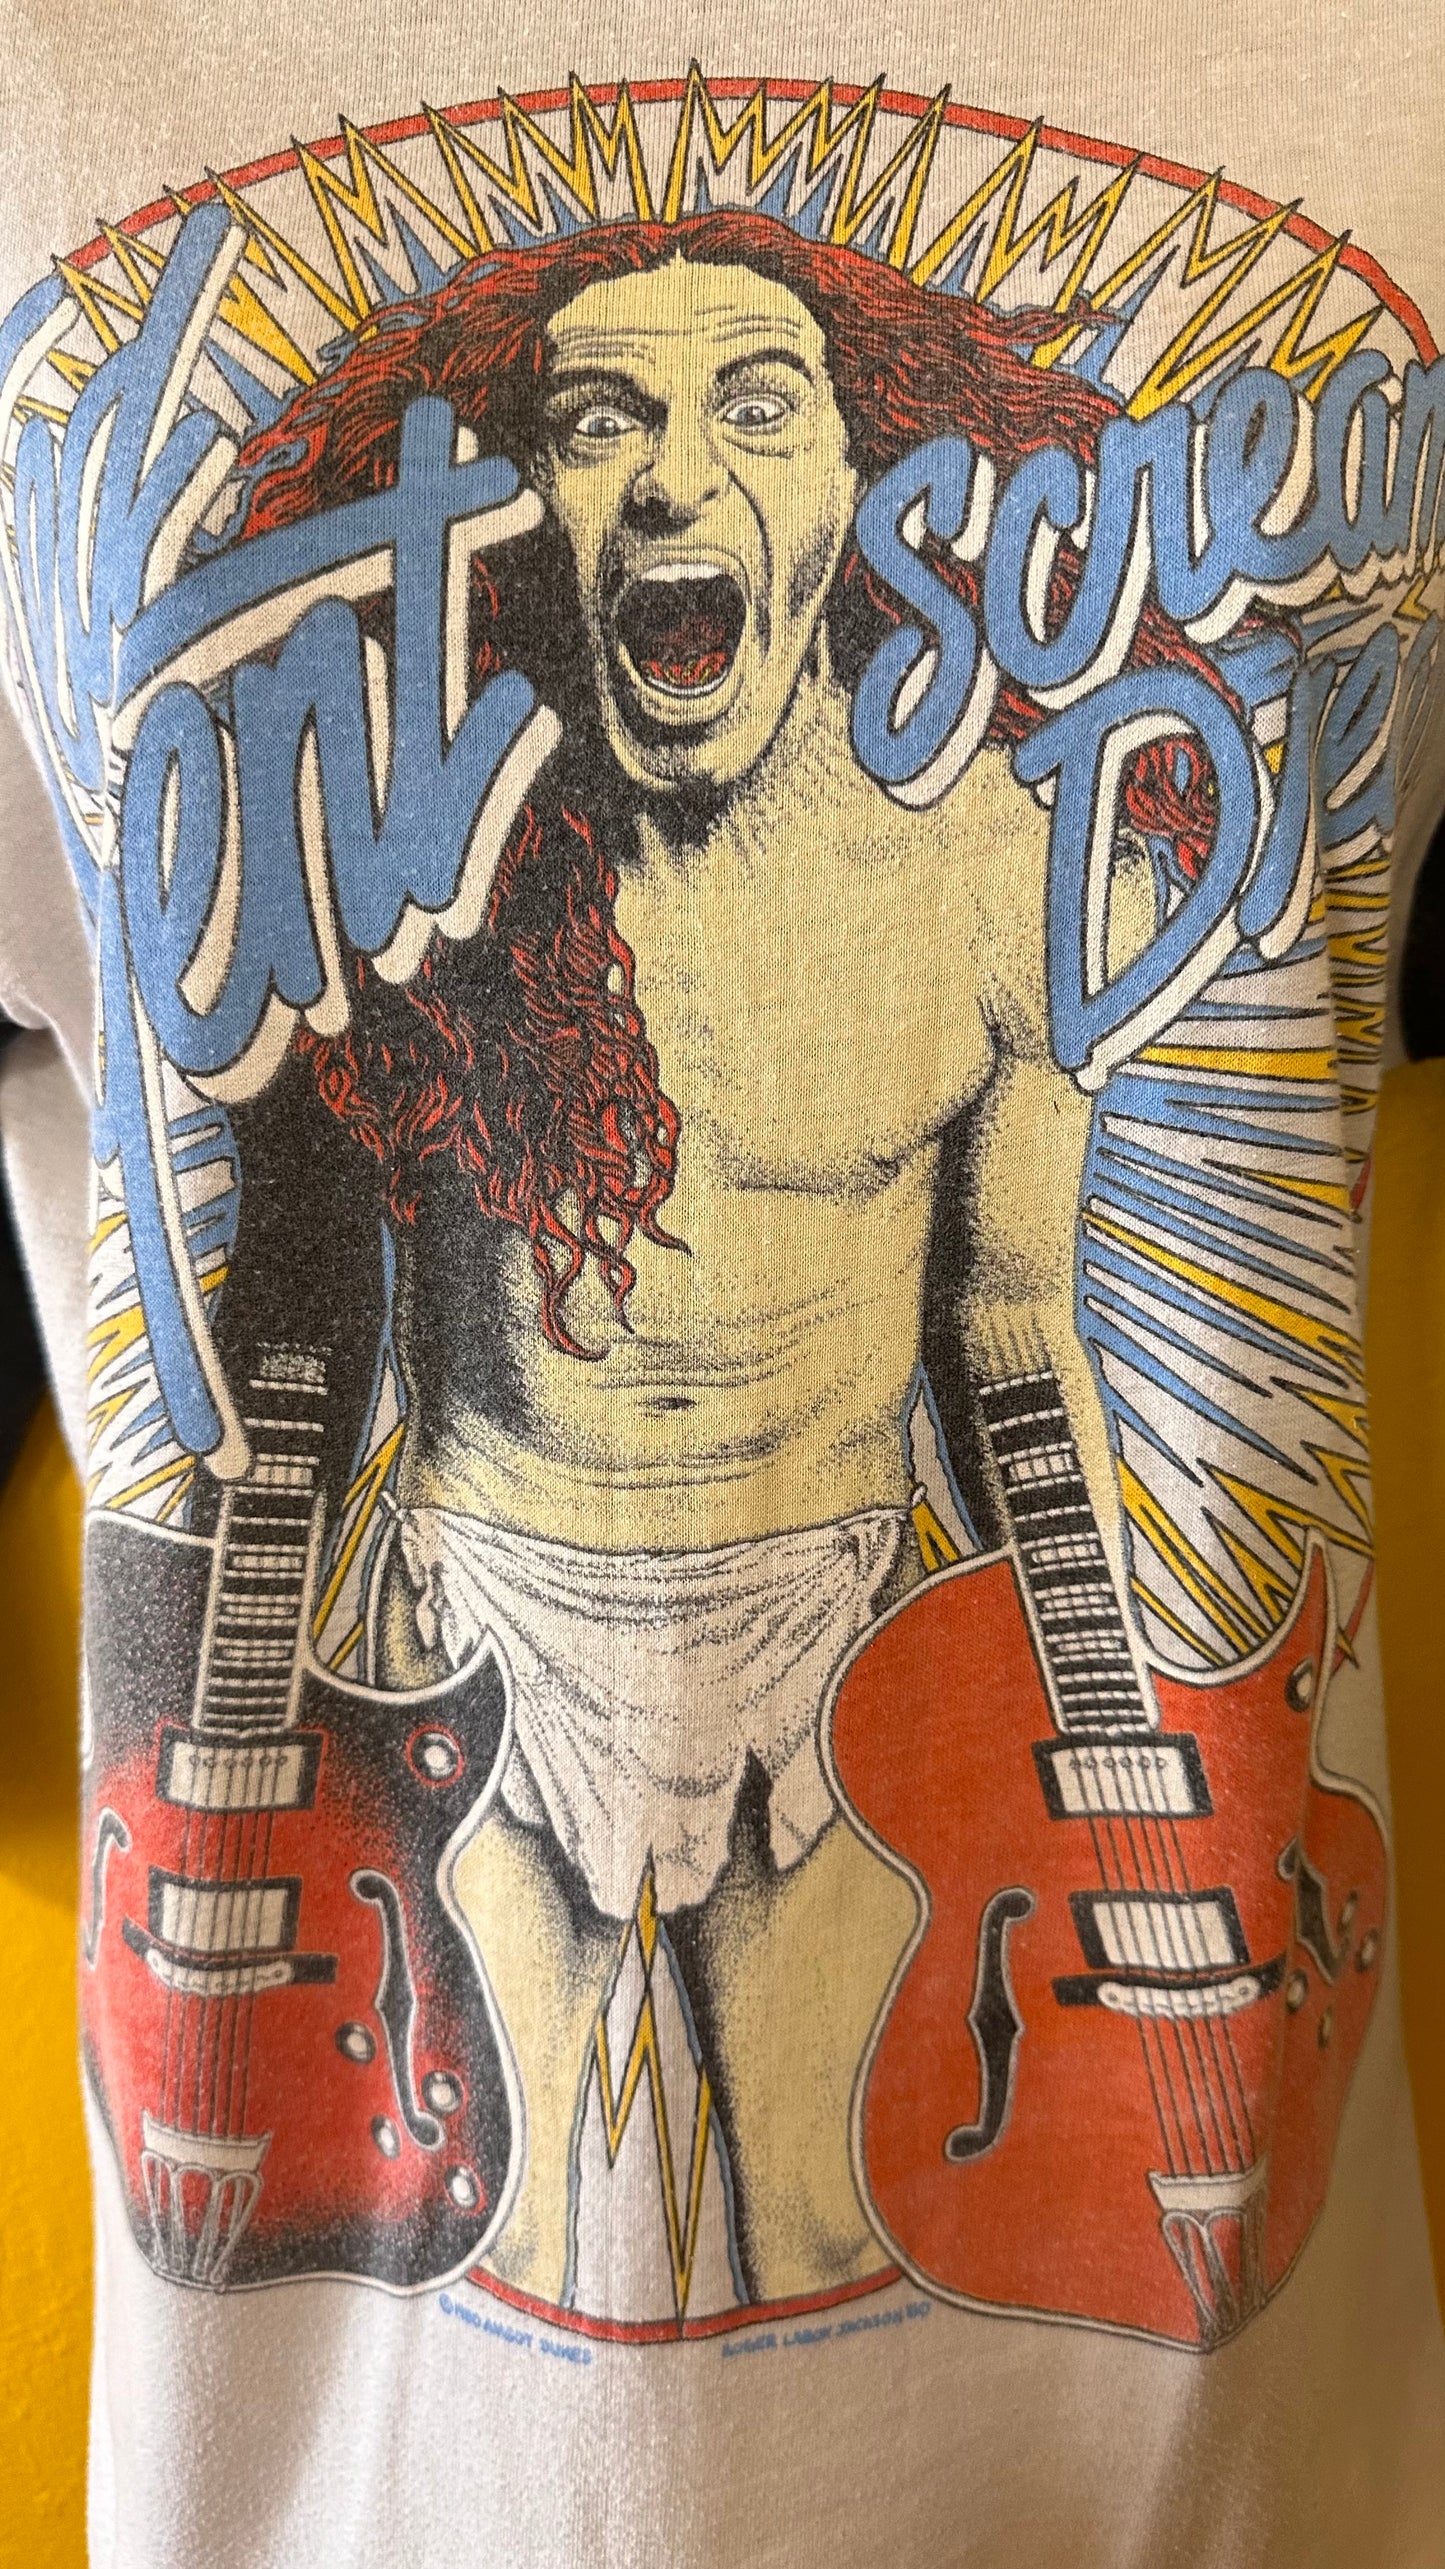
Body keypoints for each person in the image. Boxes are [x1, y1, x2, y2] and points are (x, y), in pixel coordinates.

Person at [214, 211, 1222, 2314]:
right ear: (517, 496)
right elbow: (294, 1309)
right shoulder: (393, 844)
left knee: (838, 2233)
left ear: (858, 483)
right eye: (602, 422)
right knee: (477, 2241)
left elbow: (1011, 1332)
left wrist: (1112, 1762)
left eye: (755, 409)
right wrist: (238, 1778)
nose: (676, 474)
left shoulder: (994, 867)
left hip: (830, 1627)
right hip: (475, 1632)